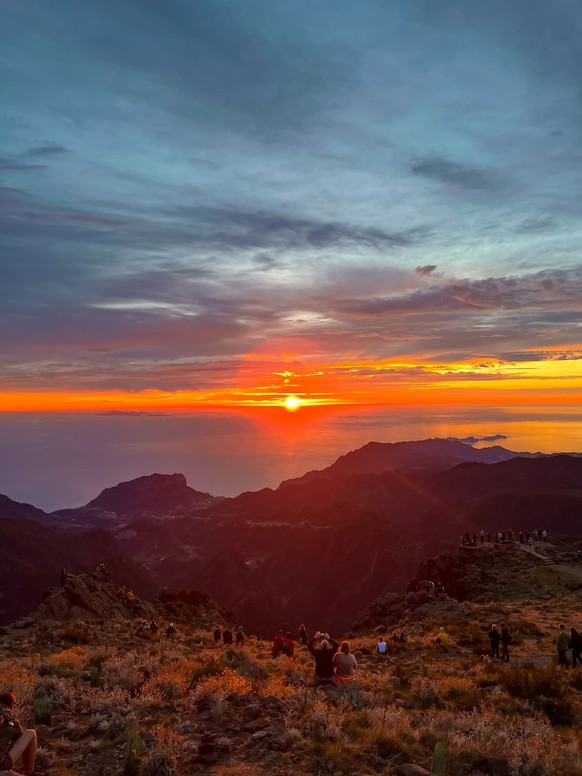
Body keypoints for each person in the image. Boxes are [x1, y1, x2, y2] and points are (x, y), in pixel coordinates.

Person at [0, 692, 37, 776]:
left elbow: (18, 733)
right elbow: (17, 731)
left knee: (31, 733)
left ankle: (30, 773)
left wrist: (12, 721)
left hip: (3, 760)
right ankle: (29, 772)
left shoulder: (7, 718)